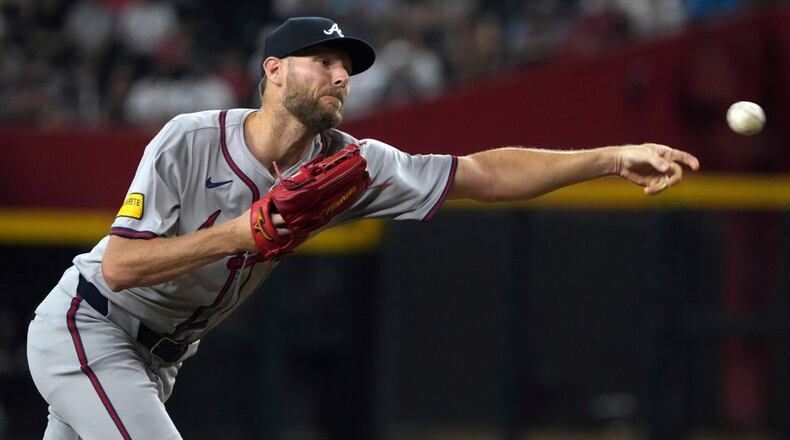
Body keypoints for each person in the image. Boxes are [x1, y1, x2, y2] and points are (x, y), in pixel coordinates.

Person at [26, 16, 700, 439]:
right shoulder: (191, 140)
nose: (340, 74)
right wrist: (242, 232)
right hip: (90, 326)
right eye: (323, 59)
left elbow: (482, 175)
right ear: (274, 70)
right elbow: (118, 267)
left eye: (346, 66)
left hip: (161, 358)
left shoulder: (350, 168)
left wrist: (610, 156)